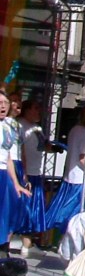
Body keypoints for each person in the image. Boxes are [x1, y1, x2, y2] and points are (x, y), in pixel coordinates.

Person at [46, 106, 85, 233]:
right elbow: (82, 158)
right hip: (78, 179)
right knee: (73, 214)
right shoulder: (84, 133)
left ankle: (52, 236)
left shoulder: (74, 130)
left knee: (61, 210)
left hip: (69, 176)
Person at [0, 89, 30, 256]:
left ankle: (3, 249)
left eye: (5, 103)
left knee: (9, 211)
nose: (3, 106)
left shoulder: (10, 126)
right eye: (0, 103)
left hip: (5, 173)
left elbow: (9, 157)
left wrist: (17, 183)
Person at [15, 97, 47, 244]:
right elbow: (21, 151)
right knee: (23, 209)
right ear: (27, 110)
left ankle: (27, 243)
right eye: (35, 108)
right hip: (25, 172)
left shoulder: (37, 128)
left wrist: (54, 147)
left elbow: (43, 146)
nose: (38, 111)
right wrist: (24, 173)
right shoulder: (20, 125)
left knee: (33, 211)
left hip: (36, 171)